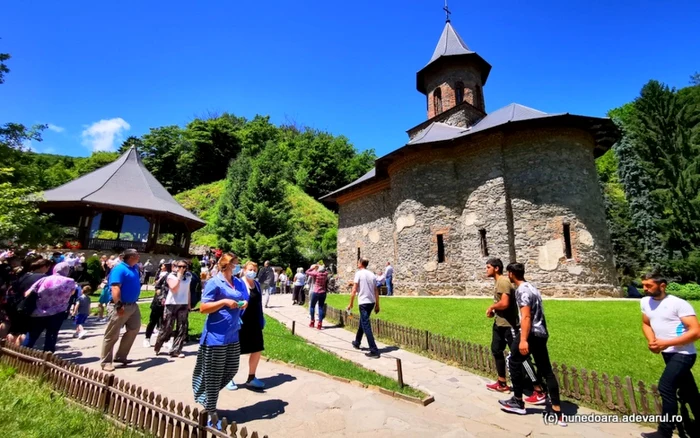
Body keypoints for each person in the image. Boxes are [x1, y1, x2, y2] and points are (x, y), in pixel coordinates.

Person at [498, 263, 565, 425]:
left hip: (530, 333)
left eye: (509, 273)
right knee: (546, 370)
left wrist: (522, 339)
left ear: (512, 274)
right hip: (542, 332)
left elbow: (526, 316)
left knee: (514, 361)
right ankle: (557, 411)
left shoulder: (522, 291)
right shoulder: (533, 288)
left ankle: (518, 401)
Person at [640, 274, 700, 438]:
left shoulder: (678, 304)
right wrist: (653, 342)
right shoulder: (645, 302)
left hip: (683, 354)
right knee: (691, 393)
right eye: (643, 285)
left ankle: (664, 432)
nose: (645, 288)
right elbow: (646, 323)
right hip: (667, 354)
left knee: (666, 388)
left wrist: (665, 343)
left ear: (662, 285)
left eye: (649, 285)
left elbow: (696, 332)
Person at [192, 253, 247, 424]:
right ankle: (210, 411)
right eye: (235, 263)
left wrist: (244, 303)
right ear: (227, 265)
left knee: (232, 368)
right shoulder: (214, 282)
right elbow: (203, 308)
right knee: (213, 375)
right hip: (216, 336)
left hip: (233, 333)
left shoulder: (237, 282)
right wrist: (223, 302)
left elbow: (244, 298)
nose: (238, 266)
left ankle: (207, 395)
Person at [484, 258, 545, 404]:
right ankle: (502, 383)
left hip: (509, 326)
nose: (486, 270)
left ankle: (538, 390)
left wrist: (492, 307)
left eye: (488, 267)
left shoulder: (503, 282)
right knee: (496, 350)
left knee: (521, 357)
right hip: (499, 323)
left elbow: (504, 303)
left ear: (496, 268)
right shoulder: (498, 282)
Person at [100, 249, 142, 372]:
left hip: (133, 305)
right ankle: (106, 361)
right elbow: (115, 287)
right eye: (137, 255)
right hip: (120, 305)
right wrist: (118, 304)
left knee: (134, 328)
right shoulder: (119, 269)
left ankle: (121, 356)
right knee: (112, 334)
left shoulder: (134, 268)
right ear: (130, 257)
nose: (139, 256)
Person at [227, 261, 266, 391]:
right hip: (241, 321)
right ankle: (228, 378)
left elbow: (259, 303)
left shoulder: (257, 285)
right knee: (235, 350)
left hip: (254, 321)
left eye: (255, 269)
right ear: (244, 269)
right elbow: (233, 299)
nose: (253, 271)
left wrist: (261, 318)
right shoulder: (238, 283)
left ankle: (251, 377)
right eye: (250, 269)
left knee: (257, 348)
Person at [23, 262, 77, 352]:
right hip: (58, 312)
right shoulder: (70, 281)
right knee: (52, 335)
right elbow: (72, 293)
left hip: (39, 311)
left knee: (32, 335)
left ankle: (22, 355)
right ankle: (47, 358)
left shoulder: (44, 279)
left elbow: (27, 293)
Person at [153, 259, 192, 358]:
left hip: (183, 304)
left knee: (182, 327)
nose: (181, 269)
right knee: (167, 327)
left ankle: (176, 350)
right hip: (171, 304)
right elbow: (174, 288)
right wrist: (178, 277)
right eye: (179, 266)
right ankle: (158, 346)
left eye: (184, 267)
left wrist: (189, 303)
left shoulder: (188, 276)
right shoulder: (171, 276)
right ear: (175, 267)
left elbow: (188, 291)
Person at [347, 257, 380, 358]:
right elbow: (376, 290)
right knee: (363, 321)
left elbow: (354, 289)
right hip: (371, 302)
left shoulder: (359, 273)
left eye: (358, 262)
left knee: (366, 325)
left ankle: (374, 349)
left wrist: (350, 303)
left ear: (361, 263)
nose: (357, 263)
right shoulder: (372, 274)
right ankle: (357, 342)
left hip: (364, 302)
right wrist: (377, 304)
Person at [144, 264, 169, 348]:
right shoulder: (166, 276)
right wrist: (160, 296)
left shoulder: (178, 278)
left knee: (165, 322)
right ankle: (147, 338)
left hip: (169, 303)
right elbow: (157, 286)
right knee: (153, 321)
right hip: (158, 302)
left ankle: (164, 340)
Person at [306, 264, 328, 329]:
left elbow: (307, 272)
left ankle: (312, 321)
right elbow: (326, 270)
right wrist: (321, 266)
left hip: (316, 291)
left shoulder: (316, 274)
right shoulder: (325, 274)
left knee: (312, 306)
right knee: (320, 307)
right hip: (323, 292)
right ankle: (320, 323)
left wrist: (313, 268)